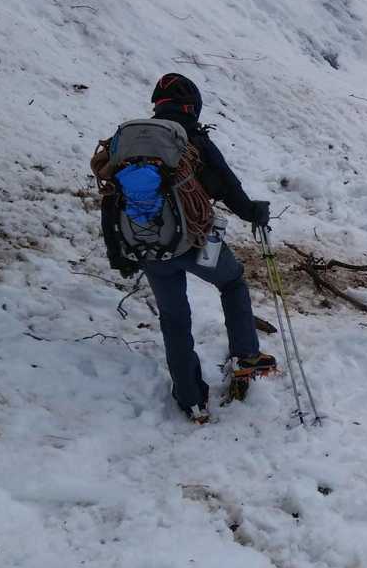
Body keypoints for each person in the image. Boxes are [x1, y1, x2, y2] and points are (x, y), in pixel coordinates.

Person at [101, 73, 276, 423]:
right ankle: (246, 355)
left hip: (150, 247)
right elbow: (227, 185)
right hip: (196, 240)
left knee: (174, 319)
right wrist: (252, 212)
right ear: (192, 106)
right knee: (232, 282)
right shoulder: (191, 139)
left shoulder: (130, 145)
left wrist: (117, 253)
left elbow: (110, 199)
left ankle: (190, 398)